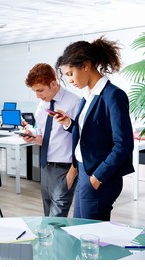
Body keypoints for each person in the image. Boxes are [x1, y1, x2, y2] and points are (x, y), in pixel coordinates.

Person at [54, 36, 134, 221]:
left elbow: (123, 145)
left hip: (99, 176)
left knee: (91, 237)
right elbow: (91, 133)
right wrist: (69, 123)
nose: (69, 80)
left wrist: (97, 177)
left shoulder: (113, 96)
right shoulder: (88, 95)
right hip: (84, 172)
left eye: (70, 74)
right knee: (80, 231)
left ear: (86, 65)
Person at [22, 63, 80, 217]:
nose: (38, 95)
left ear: (53, 84)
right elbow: (42, 137)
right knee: (48, 217)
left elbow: (82, 139)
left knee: (57, 219)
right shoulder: (42, 106)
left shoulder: (74, 103)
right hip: (45, 168)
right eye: (35, 91)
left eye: (40, 90)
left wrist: (72, 173)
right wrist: (33, 137)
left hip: (64, 169)